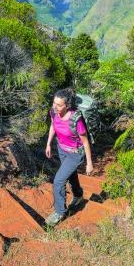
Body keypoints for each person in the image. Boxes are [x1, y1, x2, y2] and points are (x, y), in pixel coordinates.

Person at [44, 88, 94, 227]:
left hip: (75, 153)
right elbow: (53, 126)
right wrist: (48, 144)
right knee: (70, 174)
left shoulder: (75, 119)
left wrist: (89, 163)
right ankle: (78, 196)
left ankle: (60, 212)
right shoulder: (54, 112)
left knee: (58, 181)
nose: (55, 107)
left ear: (67, 106)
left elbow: (85, 142)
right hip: (62, 149)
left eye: (59, 105)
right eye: (54, 103)